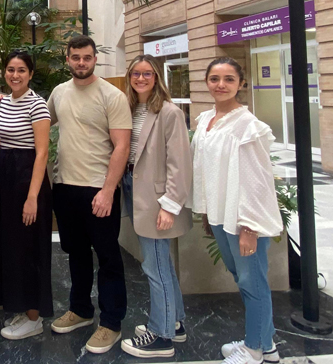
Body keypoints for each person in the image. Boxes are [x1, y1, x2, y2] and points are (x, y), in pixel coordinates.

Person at [190, 57, 282, 364]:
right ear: (207, 82)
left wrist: (249, 225)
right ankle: (266, 345)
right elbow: (205, 169)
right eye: (215, 79)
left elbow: (257, 180)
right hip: (219, 216)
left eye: (229, 79)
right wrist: (205, 211)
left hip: (242, 219)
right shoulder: (205, 120)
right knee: (242, 279)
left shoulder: (247, 126)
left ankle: (253, 348)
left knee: (252, 282)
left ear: (240, 83)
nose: (221, 85)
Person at [45, 35, 132, 354]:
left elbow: (121, 146)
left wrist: (109, 191)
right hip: (66, 187)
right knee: (76, 253)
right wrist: (9, 103)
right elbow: (40, 124)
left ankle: (111, 323)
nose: (81, 62)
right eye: (75, 57)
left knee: (108, 257)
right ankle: (80, 310)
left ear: (95, 59)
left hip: (100, 189)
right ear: (67, 59)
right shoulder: (59, 93)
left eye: (86, 57)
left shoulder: (112, 95)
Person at [117, 55, 193, 358]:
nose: (141, 78)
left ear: (156, 77)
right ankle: (174, 323)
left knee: (155, 266)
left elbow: (179, 163)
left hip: (157, 198)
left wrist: (169, 206)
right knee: (163, 265)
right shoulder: (132, 108)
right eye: (136, 73)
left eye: (147, 73)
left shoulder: (170, 112)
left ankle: (160, 336)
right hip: (135, 190)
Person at [0, 51, 53, 340]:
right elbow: (8, 141)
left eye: (22, 70)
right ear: (5, 72)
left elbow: (41, 153)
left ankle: (35, 317)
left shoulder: (37, 105)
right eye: (11, 70)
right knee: (11, 246)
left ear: (30, 73)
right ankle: (21, 308)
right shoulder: (6, 102)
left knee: (29, 249)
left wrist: (32, 197)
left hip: (28, 179)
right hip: (6, 178)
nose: (15, 75)